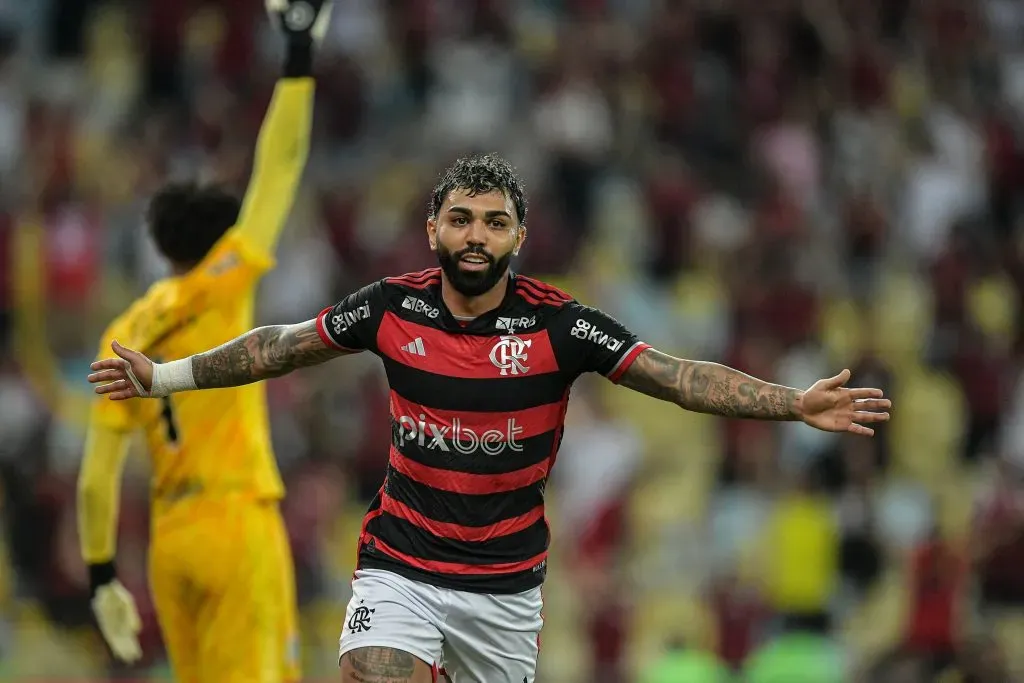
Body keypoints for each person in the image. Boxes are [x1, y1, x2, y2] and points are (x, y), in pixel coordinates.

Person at [87, 153, 891, 683]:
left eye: (495, 221)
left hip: (505, 588)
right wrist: (166, 375)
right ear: (434, 227)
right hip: (400, 560)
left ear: (520, 235)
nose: (477, 236)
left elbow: (677, 378)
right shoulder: (388, 306)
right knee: (371, 668)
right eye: (463, 219)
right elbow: (279, 347)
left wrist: (791, 402)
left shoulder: (561, 325)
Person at [76, 1, 331, 681]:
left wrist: (102, 575)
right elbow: (281, 164)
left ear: (161, 248)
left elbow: (98, 474)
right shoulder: (224, 279)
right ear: (217, 241)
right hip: (234, 519)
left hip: (170, 539)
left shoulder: (123, 332)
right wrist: (299, 54)